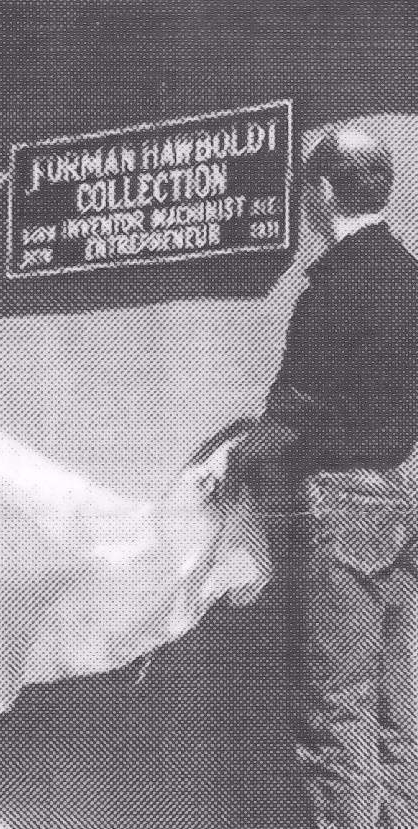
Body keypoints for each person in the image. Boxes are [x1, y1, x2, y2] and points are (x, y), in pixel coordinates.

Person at [227, 129, 418, 828]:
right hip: (403, 499)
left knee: (333, 713)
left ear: (324, 192)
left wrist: (232, 457)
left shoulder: (333, 288)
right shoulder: (410, 278)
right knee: (397, 713)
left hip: (340, 508)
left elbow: (288, 418)